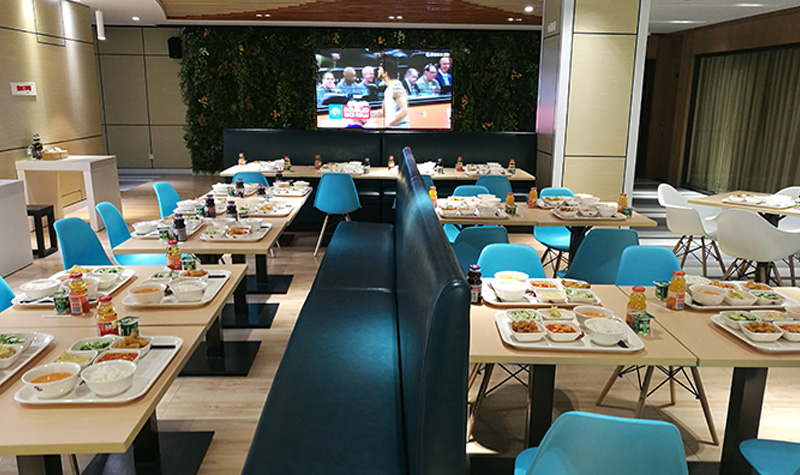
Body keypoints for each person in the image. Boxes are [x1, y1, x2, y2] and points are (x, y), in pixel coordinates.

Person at [378, 63, 409, 129]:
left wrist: (389, 126)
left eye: (380, 69)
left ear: (385, 73)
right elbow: (383, 112)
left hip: (399, 128)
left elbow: (404, 111)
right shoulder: (388, 90)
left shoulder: (396, 87)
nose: (378, 71)